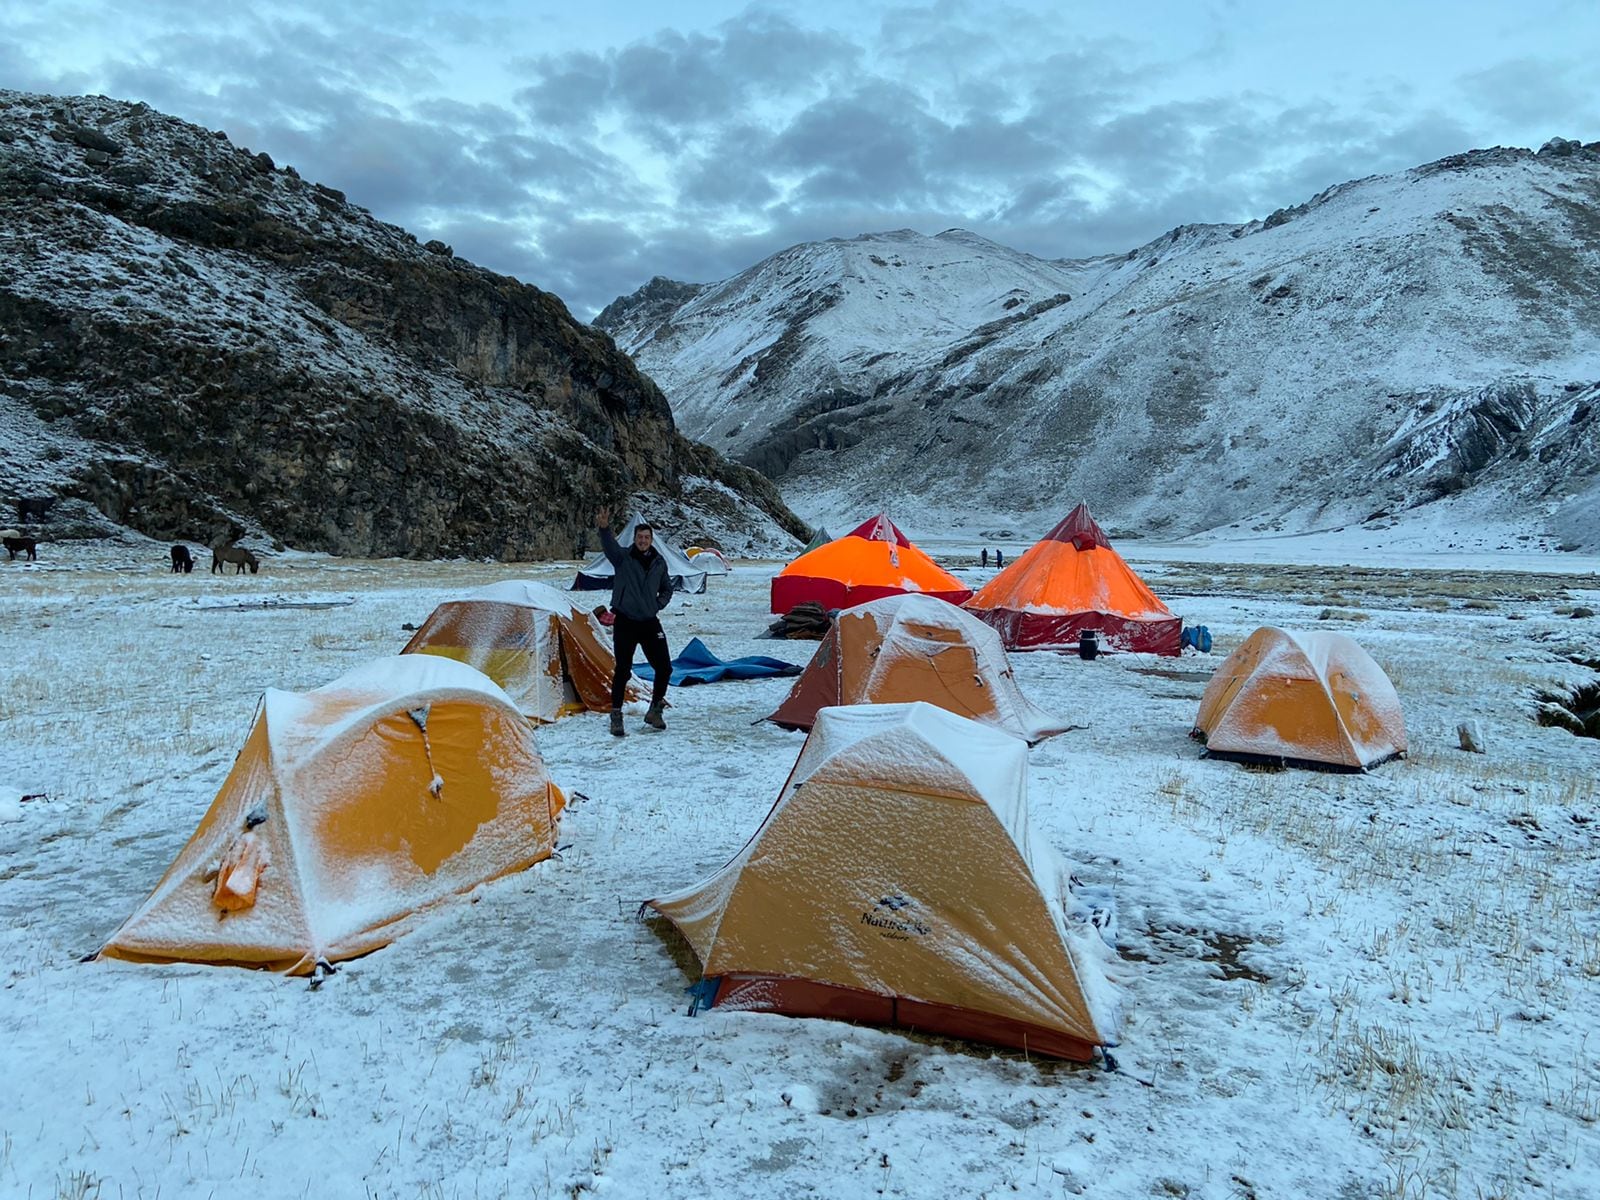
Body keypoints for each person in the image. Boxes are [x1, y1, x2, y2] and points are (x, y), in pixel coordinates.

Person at [596, 507, 673, 735]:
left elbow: (667, 588)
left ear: (651, 540)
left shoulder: (659, 562)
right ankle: (616, 715)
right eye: (640, 537)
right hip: (626, 622)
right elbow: (609, 546)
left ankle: (655, 710)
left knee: (665, 668)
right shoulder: (623, 558)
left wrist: (656, 605)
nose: (643, 541)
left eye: (646, 538)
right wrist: (604, 528)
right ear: (635, 539)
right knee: (623, 670)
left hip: (649, 622)